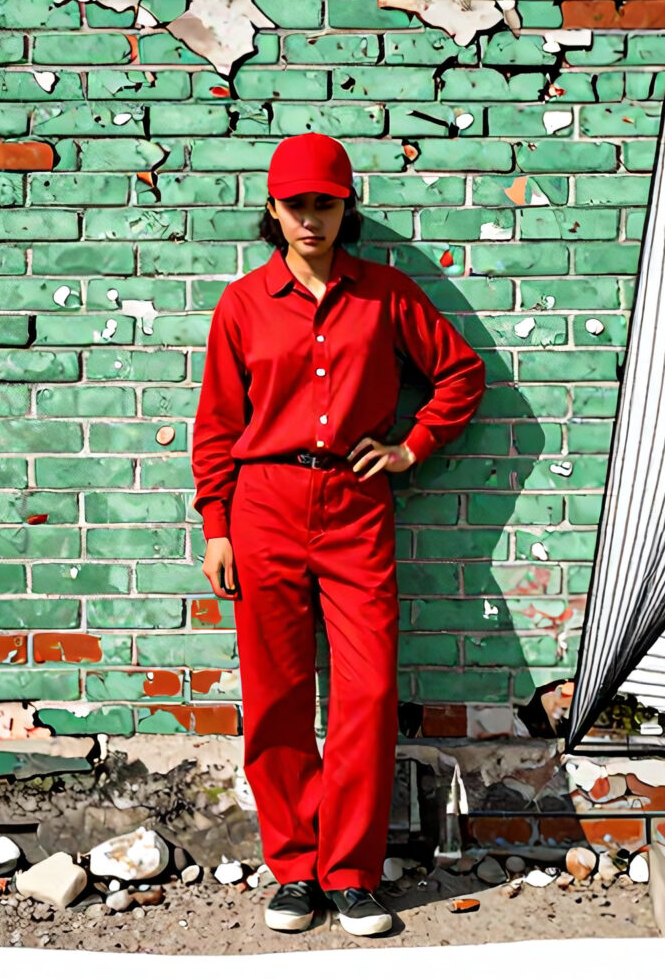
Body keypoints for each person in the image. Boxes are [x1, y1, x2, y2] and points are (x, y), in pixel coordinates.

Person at [190, 131, 487, 938]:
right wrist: (217, 524)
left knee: (367, 693)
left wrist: (409, 448)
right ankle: (293, 870)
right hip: (265, 505)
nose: (310, 218)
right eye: (295, 204)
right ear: (273, 209)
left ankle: (352, 873)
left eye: (324, 202)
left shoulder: (386, 293)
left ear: (345, 206)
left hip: (357, 508)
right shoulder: (244, 304)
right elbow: (218, 423)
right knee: (278, 696)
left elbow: (460, 373)